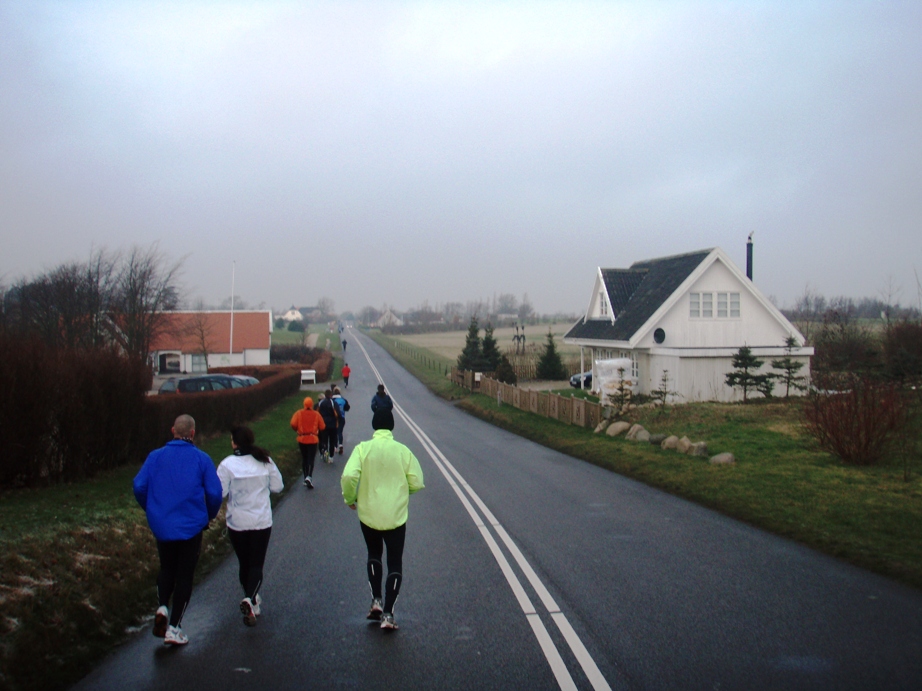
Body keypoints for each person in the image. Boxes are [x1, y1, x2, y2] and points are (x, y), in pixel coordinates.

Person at [133, 414, 223, 646]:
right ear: (192, 433)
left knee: (167, 567)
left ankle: (162, 605)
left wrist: (152, 509)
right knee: (185, 574)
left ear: (173, 430)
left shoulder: (155, 457)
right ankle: (174, 627)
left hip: (162, 524)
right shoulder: (201, 459)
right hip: (191, 525)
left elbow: (139, 485)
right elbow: (214, 493)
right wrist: (209, 516)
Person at [341, 409, 424, 631]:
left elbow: (349, 476)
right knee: (395, 562)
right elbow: (417, 481)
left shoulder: (363, 449)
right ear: (392, 426)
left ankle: (375, 600)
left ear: (374, 426)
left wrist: (350, 497)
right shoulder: (402, 451)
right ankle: (388, 614)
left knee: (374, 554)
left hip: (369, 514)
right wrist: (403, 492)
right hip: (396, 515)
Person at [217, 425, 284, 626]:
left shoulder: (227, 464)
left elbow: (219, 492)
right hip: (261, 521)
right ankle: (250, 598)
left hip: (237, 522)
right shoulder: (265, 461)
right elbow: (278, 487)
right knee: (256, 563)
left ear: (234, 443)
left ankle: (252, 599)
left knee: (244, 563)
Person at [291, 396, 325, 488]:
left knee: (304, 458)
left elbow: (293, 424)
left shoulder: (298, 413)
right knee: (311, 458)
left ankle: (305, 477)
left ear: (304, 404)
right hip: (313, 439)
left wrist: (297, 430)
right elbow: (322, 426)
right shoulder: (316, 414)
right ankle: (309, 476)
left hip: (302, 438)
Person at [317, 388, 340, 463]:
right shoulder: (333, 403)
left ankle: (325, 451)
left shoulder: (321, 403)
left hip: (323, 424)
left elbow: (318, 413)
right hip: (332, 424)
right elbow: (337, 413)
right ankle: (331, 457)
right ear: (331, 395)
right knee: (332, 441)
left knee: (324, 440)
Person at [331, 386, 350, 455]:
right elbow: (347, 408)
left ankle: (335, 446)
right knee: (340, 432)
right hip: (341, 418)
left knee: (334, 432)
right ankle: (340, 445)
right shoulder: (343, 400)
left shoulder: (332, 400)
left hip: (334, 418)